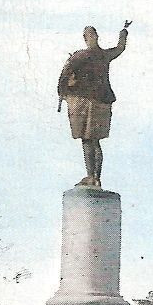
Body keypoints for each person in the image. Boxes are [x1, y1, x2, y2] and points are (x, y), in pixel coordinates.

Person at [57, 21, 131, 188]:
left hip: (83, 102)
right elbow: (120, 48)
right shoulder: (103, 55)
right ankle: (95, 177)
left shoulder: (79, 56)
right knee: (94, 140)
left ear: (85, 38)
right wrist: (124, 32)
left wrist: (62, 93)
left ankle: (91, 176)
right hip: (102, 101)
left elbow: (64, 76)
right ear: (96, 37)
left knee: (87, 140)